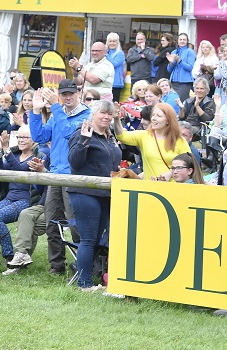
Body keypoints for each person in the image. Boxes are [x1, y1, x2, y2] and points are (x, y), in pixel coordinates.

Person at [29, 80, 89, 275]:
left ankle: (84, 265)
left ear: (78, 92)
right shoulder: (58, 114)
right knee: (52, 222)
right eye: (64, 94)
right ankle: (57, 265)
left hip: (74, 176)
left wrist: (55, 105)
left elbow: (67, 134)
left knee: (75, 223)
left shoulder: (87, 115)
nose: (67, 97)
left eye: (71, 93)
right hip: (55, 174)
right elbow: (39, 136)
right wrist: (36, 112)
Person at [67, 100, 121, 291]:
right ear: (93, 114)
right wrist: (83, 140)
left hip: (106, 194)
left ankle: (87, 278)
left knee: (96, 238)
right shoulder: (83, 133)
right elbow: (74, 162)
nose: (106, 117)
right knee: (88, 239)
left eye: (109, 114)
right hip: (84, 192)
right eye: (102, 113)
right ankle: (84, 284)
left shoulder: (110, 136)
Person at [0, 126, 45, 264]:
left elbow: (20, 170)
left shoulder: (37, 157)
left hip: (26, 200)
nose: (21, 140)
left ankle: (9, 254)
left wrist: (7, 150)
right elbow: (0, 172)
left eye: (25, 137)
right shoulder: (14, 155)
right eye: (19, 137)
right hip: (9, 198)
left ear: (33, 140)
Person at [114, 102, 189, 181]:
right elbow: (122, 136)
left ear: (168, 121)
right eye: (153, 115)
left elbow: (188, 163)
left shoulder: (179, 140)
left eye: (158, 116)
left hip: (173, 188)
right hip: (150, 189)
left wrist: (171, 173)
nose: (153, 118)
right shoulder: (144, 136)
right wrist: (116, 119)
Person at [167, 32, 195, 99]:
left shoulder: (190, 51)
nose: (182, 41)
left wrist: (179, 61)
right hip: (173, 81)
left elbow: (190, 67)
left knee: (180, 101)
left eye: (184, 40)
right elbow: (169, 70)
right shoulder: (174, 52)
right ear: (178, 41)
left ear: (187, 41)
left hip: (184, 82)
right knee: (172, 100)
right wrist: (171, 63)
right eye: (180, 39)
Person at [105, 32, 126, 101]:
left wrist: (105, 55)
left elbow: (113, 64)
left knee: (114, 104)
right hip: (105, 82)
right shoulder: (106, 52)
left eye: (114, 41)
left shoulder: (120, 53)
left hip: (115, 83)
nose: (112, 43)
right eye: (110, 41)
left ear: (117, 43)